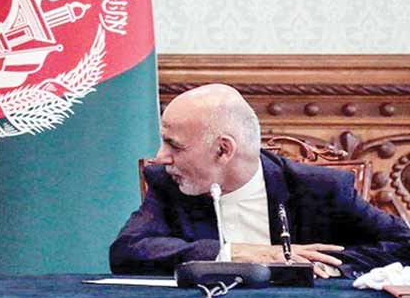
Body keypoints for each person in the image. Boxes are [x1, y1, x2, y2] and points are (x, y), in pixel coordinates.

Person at [110, 84, 410, 278]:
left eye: (174, 145)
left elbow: (403, 244)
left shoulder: (318, 188)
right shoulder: (168, 183)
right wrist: (231, 253)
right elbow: (126, 251)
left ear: (223, 150)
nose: (160, 157)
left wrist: (324, 265)